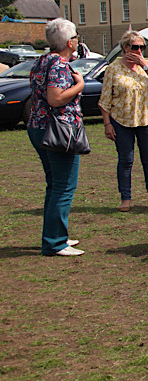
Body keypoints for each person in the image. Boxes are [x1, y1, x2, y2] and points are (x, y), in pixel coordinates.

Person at [27, 18, 86, 256]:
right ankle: (55, 242)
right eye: (76, 37)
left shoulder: (41, 61)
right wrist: (79, 84)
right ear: (70, 42)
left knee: (54, 185)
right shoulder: (60, 65)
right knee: (63, 186)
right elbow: (55, 98)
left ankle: (55, 234)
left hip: (38, 127)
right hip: (58, 130)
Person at [99, 30, 148, 212]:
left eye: (142, 47)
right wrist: (107, 124)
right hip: (122, 121)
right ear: (125, 47)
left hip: (147, 120)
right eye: (135, 47)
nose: (138, 51)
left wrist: (145, 65)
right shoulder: (113, 69)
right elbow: (105, 100)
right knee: (125, 160)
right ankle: (125, 199)